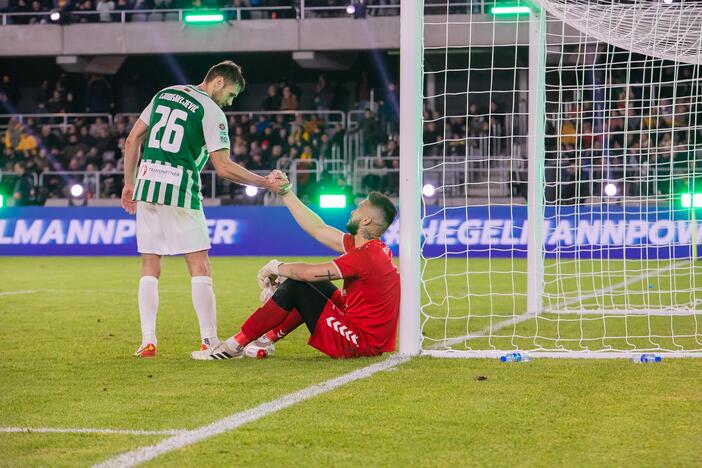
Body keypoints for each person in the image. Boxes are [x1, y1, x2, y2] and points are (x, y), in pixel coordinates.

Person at [120, 60, 286, 358]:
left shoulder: (165, 94)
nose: (230, 102)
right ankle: (209, 340)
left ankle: (147, 341)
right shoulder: (211, 110)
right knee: (200, 265)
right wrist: (264, 182)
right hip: (179, 187)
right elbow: (222, 167)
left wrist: (128, 183)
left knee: (149, 264)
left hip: (146, 185)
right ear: (219, 82)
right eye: (232, 94)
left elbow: (133, 139)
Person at [191, 190, 400, 360]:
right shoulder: (369, 248)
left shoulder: (365, 255)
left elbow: (309, 273)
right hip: (361, 329)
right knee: (313, 285)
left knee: (299, 284)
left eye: (358, 208)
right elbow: (318, 229)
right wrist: (286, 193)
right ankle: (265, 341)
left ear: (365, 220)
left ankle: (232, 346)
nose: (353, 210)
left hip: (359, 344)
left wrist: (276, 267)